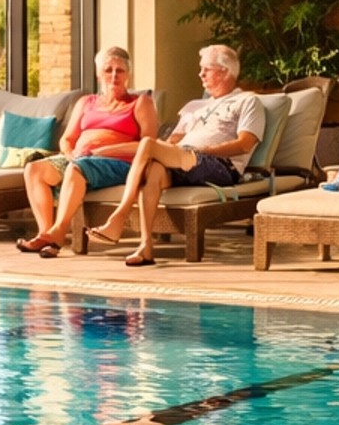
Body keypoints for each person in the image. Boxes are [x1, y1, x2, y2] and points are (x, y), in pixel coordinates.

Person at [90, 43, 266, 267]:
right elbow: (170, 142)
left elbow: (244, 144)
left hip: (220, 166)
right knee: (153, 170)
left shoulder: (247, 101)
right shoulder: (194, 106)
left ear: (225, 71)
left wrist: (198, 151)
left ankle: (119, 216)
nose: (200, 73)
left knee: (148, 144)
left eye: (206, 69)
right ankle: (146, 247)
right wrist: (109, 151)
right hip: (182, 160)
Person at [16, 45, 158, 257]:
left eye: (120, 70)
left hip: (118, 163)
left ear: (128, 74)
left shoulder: (140, 103)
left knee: (76, 168)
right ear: (98, 74)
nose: (113, 76)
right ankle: (45, 234)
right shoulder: (86, 102)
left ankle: (58, 234)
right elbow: (67, 139)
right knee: (34, 170)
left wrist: (105, 150)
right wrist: (69, 152)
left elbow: (149, 145)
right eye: (108, 70)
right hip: (80, 159)